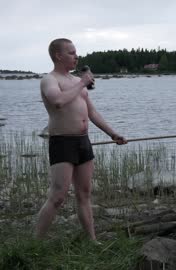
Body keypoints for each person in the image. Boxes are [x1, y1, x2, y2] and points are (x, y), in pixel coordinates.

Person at [35, 38, 127, 240]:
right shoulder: (50, 80)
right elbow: (58, 101)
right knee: (58, 197)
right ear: (58, 56)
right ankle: (35, 243)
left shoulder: (77, 82)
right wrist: (83, 83)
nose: (76, 56)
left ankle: (92, 240)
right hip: (62, 142)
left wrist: (112, 133)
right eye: (71, 53)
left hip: (83, 142)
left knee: (84, 194)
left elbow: (92, 112)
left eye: (76, 52)